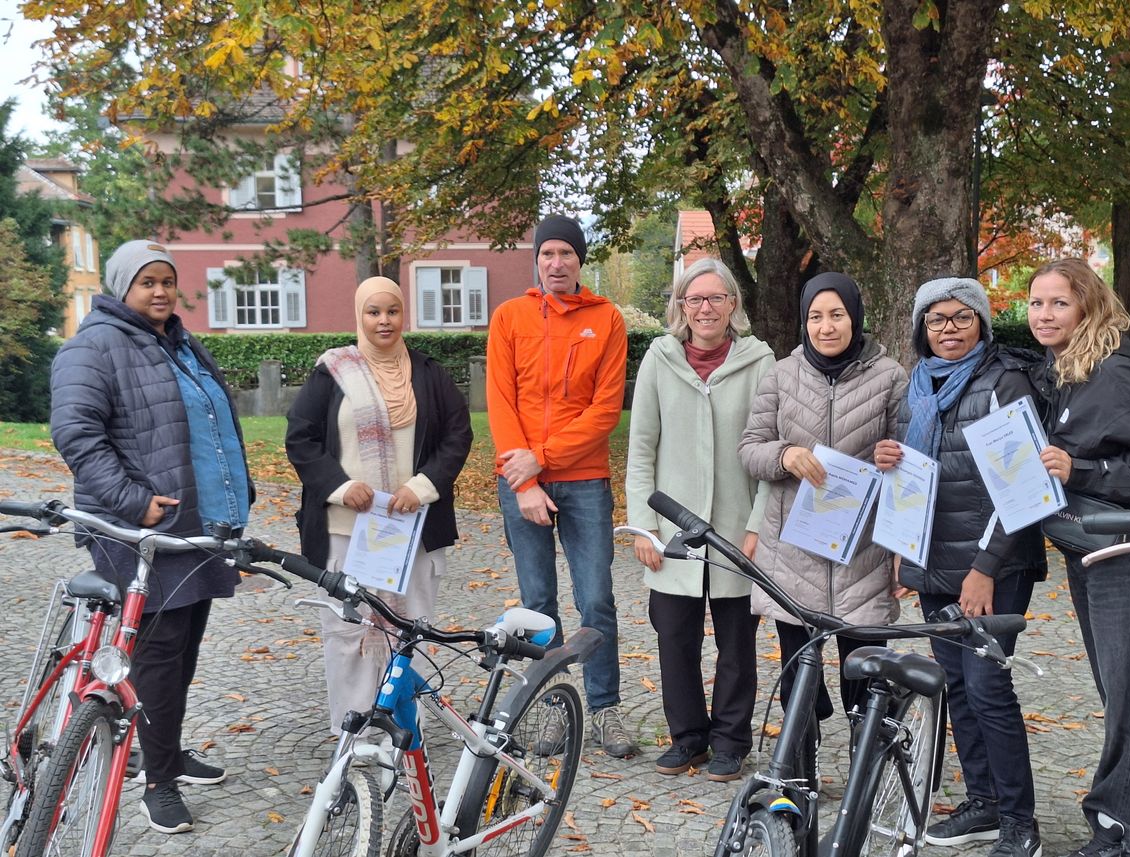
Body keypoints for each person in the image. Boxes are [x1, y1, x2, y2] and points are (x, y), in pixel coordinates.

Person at [51, 240, 252, 835]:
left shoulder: (181, 342)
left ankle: (165, 749)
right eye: (147, 282)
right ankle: (158, 782)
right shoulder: (93, 346)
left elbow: (212, 423)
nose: (161, 291)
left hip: (196, 526)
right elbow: (76, 434)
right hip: (144, 529)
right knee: (159, 659)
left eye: (167, 280)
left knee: (181, 652)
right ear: (122, 287)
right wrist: (132, 501)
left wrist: (236, 493)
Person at [874, 277, 1045, 857]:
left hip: (993, 564)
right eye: (936, 319)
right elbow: (914, 472)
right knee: (959, 689)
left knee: (989, 687)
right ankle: (984, 803)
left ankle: (1020, 822)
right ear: (921, 329)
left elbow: (1024, 486)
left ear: (981, 323)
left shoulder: (1003, 381)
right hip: (934, 561)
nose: (948, 329)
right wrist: (890, 463)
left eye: (961, 317)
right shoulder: (918, 386)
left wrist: (985, 567)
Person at [285, 276, 472, 735]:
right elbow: (301, 438)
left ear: (403, 313)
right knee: (350, 631)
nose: (383, 321)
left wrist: (423, 486)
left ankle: (403, 731)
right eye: (374, 312)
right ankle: (354, 733)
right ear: (360, 315)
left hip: (411, 527)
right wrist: (340, 486)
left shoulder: (428, 373)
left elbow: (457, 435)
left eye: (392, 311)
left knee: (410, 628)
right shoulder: (333, 372)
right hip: (346, 529)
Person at [486, 213, 636, 758]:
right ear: (537, 259)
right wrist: (524, 478)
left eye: (566, 253)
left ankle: (605, 708)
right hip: (520, 482)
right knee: (538, 603)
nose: (556, 263)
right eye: (547, 253)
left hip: (585, 480)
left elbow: (605, 411)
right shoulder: (510, 317)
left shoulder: (607, 319)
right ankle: (553, 705)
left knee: (596, 599)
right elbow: (500, 401)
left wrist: (543, 458)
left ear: (579, 260)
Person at [625, 258, 775, 782]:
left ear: (733, 304)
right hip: (671, 529)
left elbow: (770, 451)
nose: (705, 308)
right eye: (695, 299)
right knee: (675, 639)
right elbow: (640, 449)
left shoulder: (760, 362)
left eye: (715, 298)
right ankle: (687, 738)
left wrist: (757, 525)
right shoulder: (659, 359)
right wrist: (643, 526)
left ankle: (730, 741)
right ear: (681, 306)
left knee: (736, 644)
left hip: (736, 529)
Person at [738, 273, 905, 724]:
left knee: (865, 685)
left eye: (836, 315)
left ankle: (866, 762)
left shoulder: (890, 376)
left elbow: (910, 460)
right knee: (798, 684)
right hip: (794, 554)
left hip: (862, 555)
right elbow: (750, 449)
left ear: (855, 318)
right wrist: (784, 455)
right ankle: (800, 763)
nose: (826, 327)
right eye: (815, 317)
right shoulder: (781, 375)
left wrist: (893, 458)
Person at [1026, 259, 1130, 857]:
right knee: (1117, 693)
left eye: (1059, 303)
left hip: (1126, 555)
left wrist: (1083, 469)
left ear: (1088, 306)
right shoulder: (1064, 370)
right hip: (1088, 551)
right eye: (1036, 303)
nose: (1044, 314)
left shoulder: (1115, 371)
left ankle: (1121, 827)